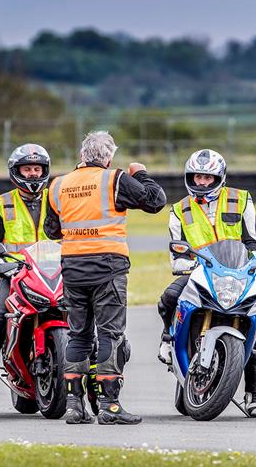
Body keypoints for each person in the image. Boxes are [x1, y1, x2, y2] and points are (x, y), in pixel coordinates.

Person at [45, 131, 166, 425]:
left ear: (81, 156)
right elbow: (155, 201)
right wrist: (142, 174)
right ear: (108, 157)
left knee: (78, 335)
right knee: (110, 334)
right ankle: (110, 406)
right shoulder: (114, 179)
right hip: (108, 266)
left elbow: (51, 230)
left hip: (72, 267)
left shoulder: (58, 185)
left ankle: (74, 406)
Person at [156, 149, 256, 418]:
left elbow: (254, 243)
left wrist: (250, 264)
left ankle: (254, 395)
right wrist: (191, 266)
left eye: (208, 177)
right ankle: (167, 337)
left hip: (238, 272)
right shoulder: (179, 210)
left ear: (219, 177)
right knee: (169, 297)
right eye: (197, 177)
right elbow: (177, 256)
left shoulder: (241, 200)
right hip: (199, 273)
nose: (202, 182)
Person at [0, 144, 52, 369]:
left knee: (83, 320)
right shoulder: (0, 204)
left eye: (37, 169)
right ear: (16, 171)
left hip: (54, 275)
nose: (33, 173)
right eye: (27, 169)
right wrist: (7, 268)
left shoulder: (56, 200)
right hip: (15, 275)